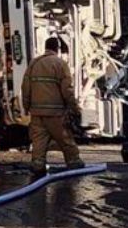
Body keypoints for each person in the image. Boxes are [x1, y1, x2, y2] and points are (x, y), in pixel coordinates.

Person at [22, 36, 84, 177]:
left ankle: (38, 165)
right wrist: (74, 108)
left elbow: (25, 87)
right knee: (65, 138)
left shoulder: (33, 64)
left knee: (38, 141)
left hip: (37, 112)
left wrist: (26, 106)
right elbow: (67, 90)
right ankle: (74, 162)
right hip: (55, 112)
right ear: (58, 49)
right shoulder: (60, 64)